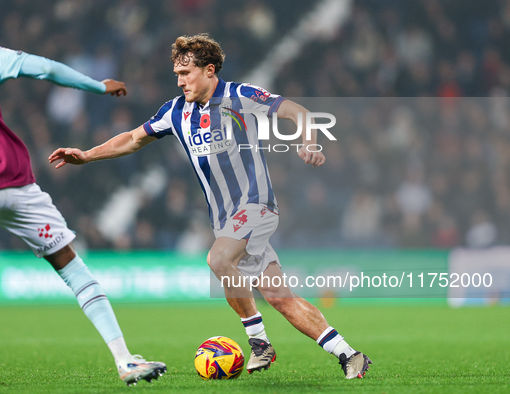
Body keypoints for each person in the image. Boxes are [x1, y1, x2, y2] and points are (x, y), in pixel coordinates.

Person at [50, 33, 372, 379]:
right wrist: (86, 155)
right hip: (225, 220)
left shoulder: (239, 95)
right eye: (176, 73)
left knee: (217, 259)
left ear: (209, 70)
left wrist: (309, 143)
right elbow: (132, 139)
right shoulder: (175, 112)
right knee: (280, 298)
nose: (180, 80)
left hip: (256, 206)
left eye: (186, 73)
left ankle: (259, 343)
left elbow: (298, 112)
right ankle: (349, 355)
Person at [0, 1, 165, 389]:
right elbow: (44, 68)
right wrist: (98, 85)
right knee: (71, 268)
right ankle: (124, 360)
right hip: (11, 181)